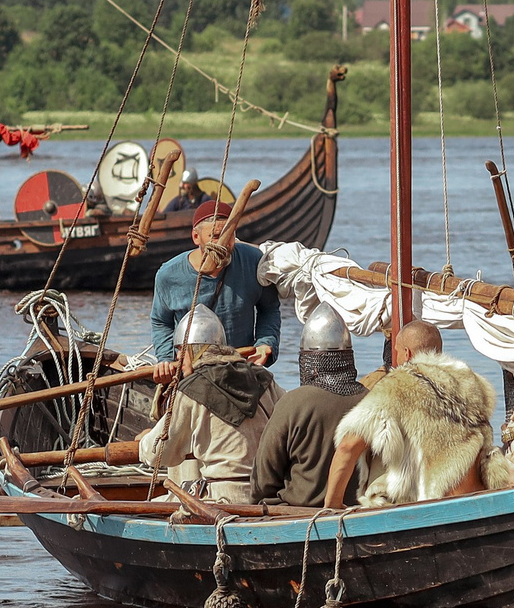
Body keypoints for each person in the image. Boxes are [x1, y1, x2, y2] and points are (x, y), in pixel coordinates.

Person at [324, 320, 495, 508]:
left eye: (397, 352)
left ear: (407, 353)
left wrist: (332, 505)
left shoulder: (398, 384)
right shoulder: (472, 382)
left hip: (423, 504)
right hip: (476, 496)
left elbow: (347, 447)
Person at [136, 308, 278, 506]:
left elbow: (158, 453)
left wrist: (144, 442)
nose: (177, 357)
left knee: (152, 506)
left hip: (222, 499)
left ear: (196, 350)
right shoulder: (264, 379)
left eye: (181, 349)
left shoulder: (191, 389)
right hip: (268, 495)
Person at [252, 306, 368, 507]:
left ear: (310, 362)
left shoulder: (292, 403)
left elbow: (264, 478)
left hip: (296, 513)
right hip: (358, 512)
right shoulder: (371, 401)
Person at [149, 206, 277, 364]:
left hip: (242, 366)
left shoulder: (255, 262)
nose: (224, 244)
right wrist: (166, 360)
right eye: (216, 236)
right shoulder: (168, 274)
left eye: (229, 235)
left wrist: (264, 344)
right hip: (190, 369)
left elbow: (269, 309)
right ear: (196, 237)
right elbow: (161, 322)